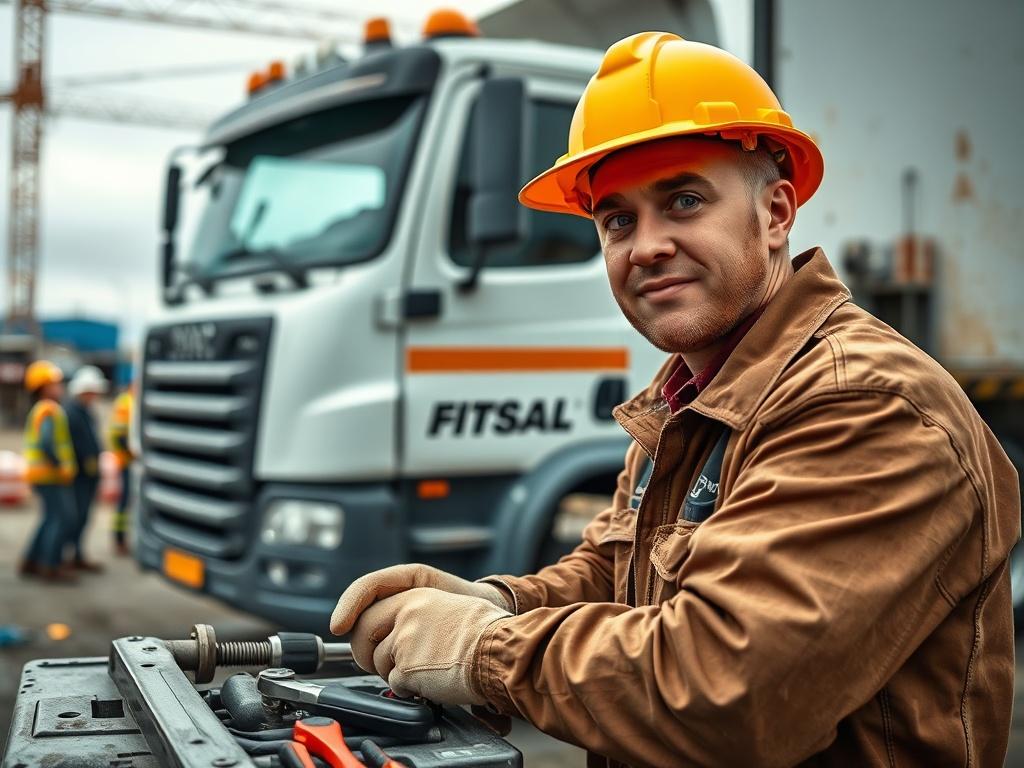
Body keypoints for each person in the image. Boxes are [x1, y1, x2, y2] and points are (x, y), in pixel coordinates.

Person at [329, 32, 1020, 766]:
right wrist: (496, 602)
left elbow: (730, 690)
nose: (646, 245)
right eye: (617, 220)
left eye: (683, 200)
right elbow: (611, 572)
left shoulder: (865, 405)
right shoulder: (687, 399)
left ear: (777, 213)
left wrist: (483, 650)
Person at [19, 360, 78, 583]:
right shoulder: (49, 409)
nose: (60, 387)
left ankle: (31, 560)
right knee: (61, 518)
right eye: (56, 383)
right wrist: (60, 466)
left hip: (40, 474)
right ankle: (50, 565)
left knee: (49, 518)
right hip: (49, 475)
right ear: (44, 387)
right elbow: (46, 443)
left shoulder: (39, 409)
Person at [63, 365, 108, 571]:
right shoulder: (72, 413)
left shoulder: (85, 412)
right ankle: (65, 556)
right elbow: (76, 445)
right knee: (75, 516)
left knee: (84, 516)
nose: (95, 396)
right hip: (79, 475)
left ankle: (77, 555)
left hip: (88, 474)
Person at [108, 385, 135, 555]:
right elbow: (119, 436)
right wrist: (134, 455)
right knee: (124, 501)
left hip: (132, 462)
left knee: (129, 501)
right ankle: (119, 539)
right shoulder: (126, 402)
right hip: (127, 462)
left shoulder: (133, 401)